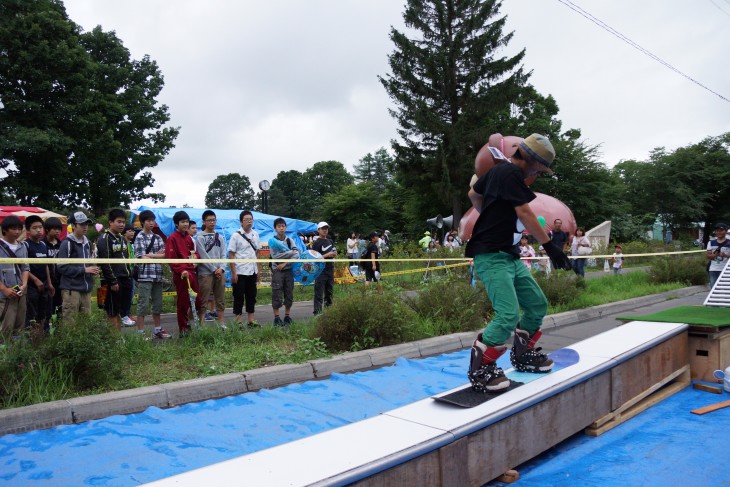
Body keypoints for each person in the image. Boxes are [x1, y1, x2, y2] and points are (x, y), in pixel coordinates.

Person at [465, 133, 571, 392]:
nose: (539, 173)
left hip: (509, 255)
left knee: (537, 304)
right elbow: (525, 212)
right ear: (532, 161)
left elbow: (472, 193)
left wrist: (489, 213)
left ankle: (522, 354)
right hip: (490, 256)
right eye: (540, 168)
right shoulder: (511, 173)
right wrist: (549, 246)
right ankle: (480, 369)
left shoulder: (498, 172)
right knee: (508, 314)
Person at [133, 210, 171, 339]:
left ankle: (157, 329)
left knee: (158, 303)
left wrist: (150, 255)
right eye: (148, 220)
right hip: (145, 275)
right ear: (143, 222)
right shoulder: (139, 237)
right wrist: (155, 255)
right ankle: (141, 332)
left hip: (158, 274)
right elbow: (142, 257)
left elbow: (165, 255)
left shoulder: (158, 237)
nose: (151, 223)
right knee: (143, 303)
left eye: (152, 220)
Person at [57, 211, 99, 320]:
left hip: (86, 289)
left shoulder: (88, 243)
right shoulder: (67, 243)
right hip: (71, 289)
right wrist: (84, 270)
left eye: (86, 224)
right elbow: (61, 267)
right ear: (73, 226)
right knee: (70, 324)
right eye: (81, 224)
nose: (85, 227)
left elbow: (89, 262)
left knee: (85, 323)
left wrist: (94, 269)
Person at [166, 211, 202, 335]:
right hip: (181, 274)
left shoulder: (189, 238)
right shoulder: (172, 238)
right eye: (182, 222)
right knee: (183, 302)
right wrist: (182, 270)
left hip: (192, 271)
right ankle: (184, 329)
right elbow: (171, 258)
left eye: (187, 221)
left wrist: (196, 257)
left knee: (197, 301)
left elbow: (194, 253)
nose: (185, 224)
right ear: (177, 224)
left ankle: (192, 324)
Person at [97, 209, 131, 331]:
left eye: (123, 222)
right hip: (112, 281)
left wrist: (129, 274)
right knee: (112, 311)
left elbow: (126, 258)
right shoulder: (104, 238)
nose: (122, 224)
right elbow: (105, 262)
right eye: (119, 222)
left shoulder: (122, 238)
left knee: (121, 311)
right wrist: (112, 281)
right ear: (110, 222)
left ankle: (118, 337)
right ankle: (114, 339)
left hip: (124, 278)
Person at [228, 210, 261, 326]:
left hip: (252, 270)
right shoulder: (235, 235)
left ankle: (251, 320)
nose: (249, 221)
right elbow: (231, 255)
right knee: (238, 296)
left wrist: (258, 270)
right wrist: (233, 273)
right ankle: (238, 321)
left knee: (251, 296)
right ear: (241, 222)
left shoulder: (255, 234)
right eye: (246, 219)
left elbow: (257, 253)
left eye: (251, 219)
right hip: (240, 271)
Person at [196, 210, 227, 328]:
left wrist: (222, 269)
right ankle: (202, 323)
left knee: (220, 298)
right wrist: (214, 269)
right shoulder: (200, 237)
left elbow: (224, 255)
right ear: (204, 222)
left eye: (213, 220)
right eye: (209, 220)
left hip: (220, 272)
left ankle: (221, 323)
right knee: (203, 299)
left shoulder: (220, 237)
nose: (212, 222)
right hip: (205, 273)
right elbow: (203, 255)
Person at [0, 216, 29, 340]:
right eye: (13, 229)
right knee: (5, 327)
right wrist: (4, 289)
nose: (17, 232)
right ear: (5, 230)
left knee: (19, 327)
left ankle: (17, 355)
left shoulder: (23, 246)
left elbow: (25, 268)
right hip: (4, 295)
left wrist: (24, 285)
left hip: (20, 292)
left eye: (19, 229)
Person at [22, 215, 53, 332]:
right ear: (28, 230)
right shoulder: (25, 245)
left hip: (44, 285)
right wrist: (35, 280)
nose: (39, 230)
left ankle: (43, 339)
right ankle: (32, 341)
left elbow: (46, 266)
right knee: (31, 316)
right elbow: (22, 267)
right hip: (31, 286)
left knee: (44, 314)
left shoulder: (43, 245)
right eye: (35, 228)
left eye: (40, 227)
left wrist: (49, 284)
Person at [268, 217, 298, 326]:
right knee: (277, 293)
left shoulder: (290, 241)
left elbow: (297, 254)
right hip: (277, 271)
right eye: (279, 226)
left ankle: (287, 316)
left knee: (289, 293)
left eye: (283, 226)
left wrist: (285, 263)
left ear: (286, 227)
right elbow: (275, 256)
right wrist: (290, 253)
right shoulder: (272, 241)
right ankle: (276, 318)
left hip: (288, 270)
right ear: (275, 228)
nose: (281, 228)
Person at [312, 222, 337, 315]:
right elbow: (314, 258)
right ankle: (317, 313)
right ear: (318, 230)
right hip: (320, 271)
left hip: (330, 269)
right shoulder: (316, 243)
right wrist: (327, 255)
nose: (325, 230)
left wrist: (334, 253)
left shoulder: (330, 241)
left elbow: (334, 252)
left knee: (329, 291)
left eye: (326, 228)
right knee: (319, 292)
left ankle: (329, 312)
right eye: (323, 228)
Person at [43, 217, 63, 323]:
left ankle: (58, 335)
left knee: (60, 310)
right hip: (46, 282)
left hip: (60, 282)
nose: (57, 231)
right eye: (54, 229)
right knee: (47, 310)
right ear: (47, 229)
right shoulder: (42, 244)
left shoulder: (62, 244)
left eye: (59, 229)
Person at [120, 224, 137, 326]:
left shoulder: (131, 244)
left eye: (133, 231)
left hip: (131, 271)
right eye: (129, 230)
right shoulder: (122, 243)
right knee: (125, 295)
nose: (132, 233)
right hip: (124, 272)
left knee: (130, 294)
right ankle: (123, 315)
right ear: (124, 232)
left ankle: (127, 314)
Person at [706, 223, 730, 289]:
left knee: (725, 289)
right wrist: (714, 255)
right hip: (713, 269)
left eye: (721, 230)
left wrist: (726, 255)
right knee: (713, 288)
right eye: (717, 231)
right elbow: (708, 255)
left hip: (726, 270)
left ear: (725, 231)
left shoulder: (729, 242)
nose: (719, 232)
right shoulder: (711, 242)